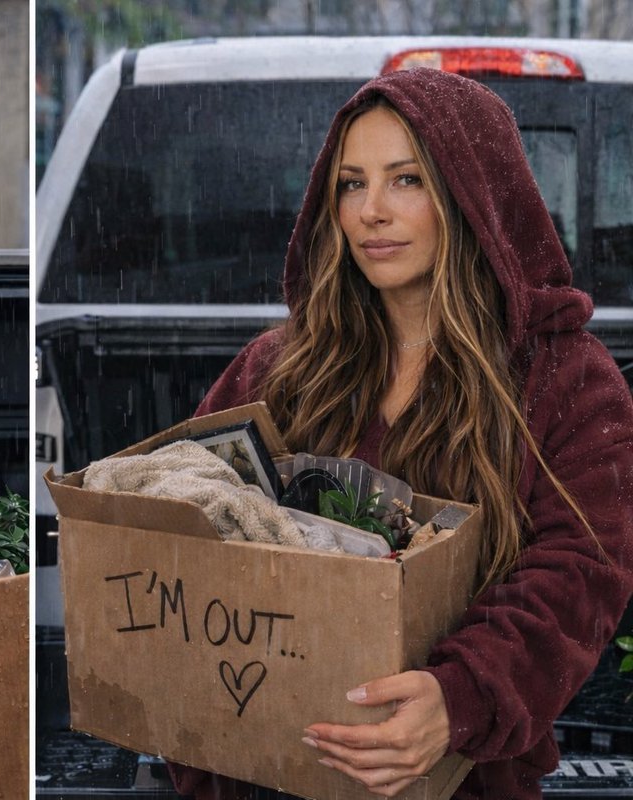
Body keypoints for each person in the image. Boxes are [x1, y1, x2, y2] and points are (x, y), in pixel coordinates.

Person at [169, 68, 633, 799]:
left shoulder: (565, 379)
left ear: (474, 195)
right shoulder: (279, 367)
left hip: (462, 781)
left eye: (407, 179)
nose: (371, 211)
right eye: (351, 184)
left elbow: (580, 574)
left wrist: (461, 696)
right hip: (268, 766)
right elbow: (183, 521)